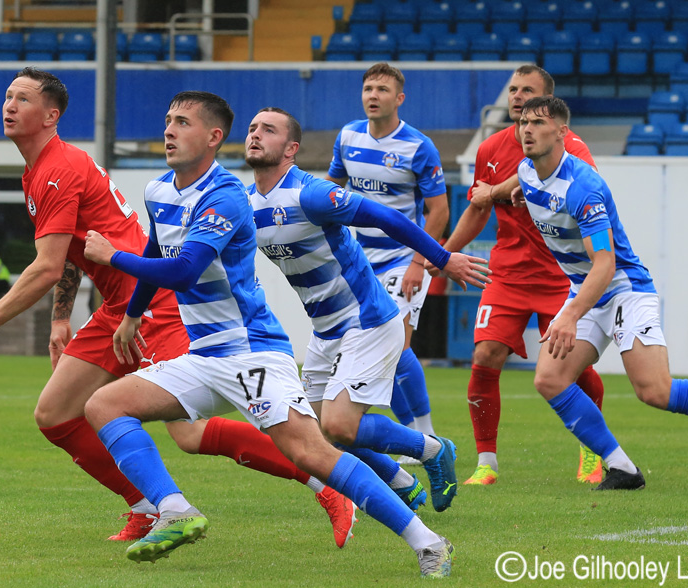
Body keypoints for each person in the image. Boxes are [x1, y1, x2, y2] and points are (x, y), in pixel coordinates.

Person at [0, 68, 355, 548]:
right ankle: (146, 507)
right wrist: (59, 318)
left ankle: (328, 488)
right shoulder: (40, 170)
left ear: (51, 116)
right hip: (117, 304)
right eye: (8, 96)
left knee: (190, 433)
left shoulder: (58, 169)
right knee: (55, 415)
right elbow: (72, 252)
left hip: (153, 303)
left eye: (22, 98)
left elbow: (47, 266)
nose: (9, 105)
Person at [81, 91, 454, 577]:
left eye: (182, 123)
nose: (169, 130)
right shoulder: (160, 191)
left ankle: (429, 542)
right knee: (103, 405)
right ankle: (174, 509)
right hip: (207, 354)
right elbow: (157, 249)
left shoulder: (226, 196)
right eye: (167, 120)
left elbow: (186, 270)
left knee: (314, 449)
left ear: (214, 138)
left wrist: (112, 257)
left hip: (253, 352)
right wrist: (133, 313)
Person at [515, 94, 688, 492]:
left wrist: (571, 315)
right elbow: (525, 184)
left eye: (539, 123)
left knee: (655, 390)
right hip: (587, 291)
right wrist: (498, 192)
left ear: (562, 132)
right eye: (524, 122)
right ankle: (622, 467)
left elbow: (606, 264)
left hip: (623, 289)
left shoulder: (584, 187)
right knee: (550, 378)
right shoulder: (526, 172)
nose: (528, 129)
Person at [246, 107, 491, 514]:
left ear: (291, 149)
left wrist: (442, 258)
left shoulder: (311, 194)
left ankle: (432, 448)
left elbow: (388, 217)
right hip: (325, 331)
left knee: (340, 425)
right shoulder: (246, 204)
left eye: (268, 130)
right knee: (321, 437)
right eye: (253, 128)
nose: (256, 135)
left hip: (368, 320)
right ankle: (403, 483)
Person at [439, 64, 606, 486]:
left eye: (527, 90)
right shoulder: (490, 148)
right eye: (513, 89)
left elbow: (582, 181)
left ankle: (593, 451)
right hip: (508, 275)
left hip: (560, 276)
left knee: (574, 369)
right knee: (484, 357)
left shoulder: (572, 146)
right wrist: (442, 254)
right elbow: (477, 209)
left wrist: (502, 187)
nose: (516, 96)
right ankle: (486, 463)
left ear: (549, 105)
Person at [324, 63, 447, 453]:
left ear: (399, 99)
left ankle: (426, 434)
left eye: (381, 89)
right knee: (382, 350)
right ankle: (418, 438)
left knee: (397, 347)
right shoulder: (347, 137)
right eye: (368, 89)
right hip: (359, 262)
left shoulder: (418, 146)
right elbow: (333, 187)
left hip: (401, 259)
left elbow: (439, 210)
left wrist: (416, 262)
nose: (373, 95)